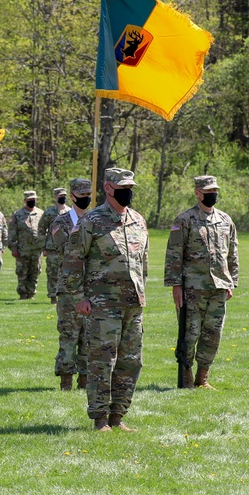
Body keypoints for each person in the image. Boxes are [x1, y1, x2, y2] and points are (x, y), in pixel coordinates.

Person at [64, 168, 148, 432]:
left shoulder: (137, 220)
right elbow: (72, 261)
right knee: (102, 362)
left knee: (130, 361)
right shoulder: (92, 221)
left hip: (133, 305)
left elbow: (142, 262)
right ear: (108, 188)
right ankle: (100, 418)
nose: (129, 191)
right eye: (123, 187)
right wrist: (78, 297)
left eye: (131, 186)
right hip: (102, 305)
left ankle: (118, 416)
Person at [164, 175, 239, 390]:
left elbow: (232, 253)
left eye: (214, 191)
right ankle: (186, 376)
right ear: (198, 193)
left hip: (218, 287)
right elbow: (174, 255)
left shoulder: (225, 220)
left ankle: (202, 377)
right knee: (190, 333)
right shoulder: (184, 220)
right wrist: (175, 286)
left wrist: (231, 281)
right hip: (192, 289)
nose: (212, 195)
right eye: (208, 192)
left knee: (213, 334)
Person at [45, 178, 92, 391]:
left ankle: (85, 380)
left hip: (93, 287)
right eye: (81, 196)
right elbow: (67, 252)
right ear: (72, 197)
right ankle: (65, 381)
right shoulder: (60, 223)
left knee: (89, 337)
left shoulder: (96, 219)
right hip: (69, 288)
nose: (86, 200)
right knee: (69, 335)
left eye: (88, 196)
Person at [8, 190, 44, 300]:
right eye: (30, 200)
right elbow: (12, 232)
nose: (32, 201)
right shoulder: (17, 214)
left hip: (37, 249)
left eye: (33, 200)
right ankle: (23, 294)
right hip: (23, 249)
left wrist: (45, 246)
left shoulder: (41, 213)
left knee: (35, 272)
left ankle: (31, 293)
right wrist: (13, 248)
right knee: (22, 272)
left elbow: (44, 230)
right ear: (25, 201)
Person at [39, 187, 70, 303]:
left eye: (64, 195)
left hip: (66, 248)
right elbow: (41, 229)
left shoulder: (70, 211)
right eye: (60, 196)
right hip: (52, 248)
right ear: (55, 197)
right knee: (52, 273)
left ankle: (64, 296)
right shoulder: (49, 212)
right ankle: (52, 296)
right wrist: (43, 247)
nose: (63, 198)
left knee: (66, 273)